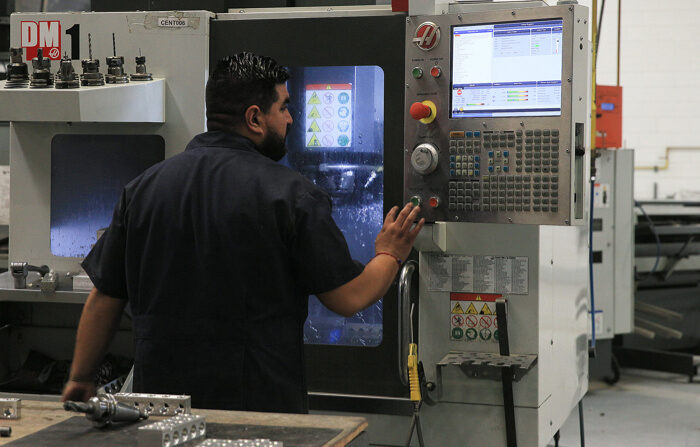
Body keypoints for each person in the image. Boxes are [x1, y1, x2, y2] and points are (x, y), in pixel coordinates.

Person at [61, 52, 424, 413]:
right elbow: (349, 298)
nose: (291, 118)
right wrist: (390, 252)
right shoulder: (291, 195)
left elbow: (104, 298)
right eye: (283, 108)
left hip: (162, 410)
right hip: (258, 408)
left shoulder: (143, 190)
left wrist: (80, 377)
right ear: (254, 118)